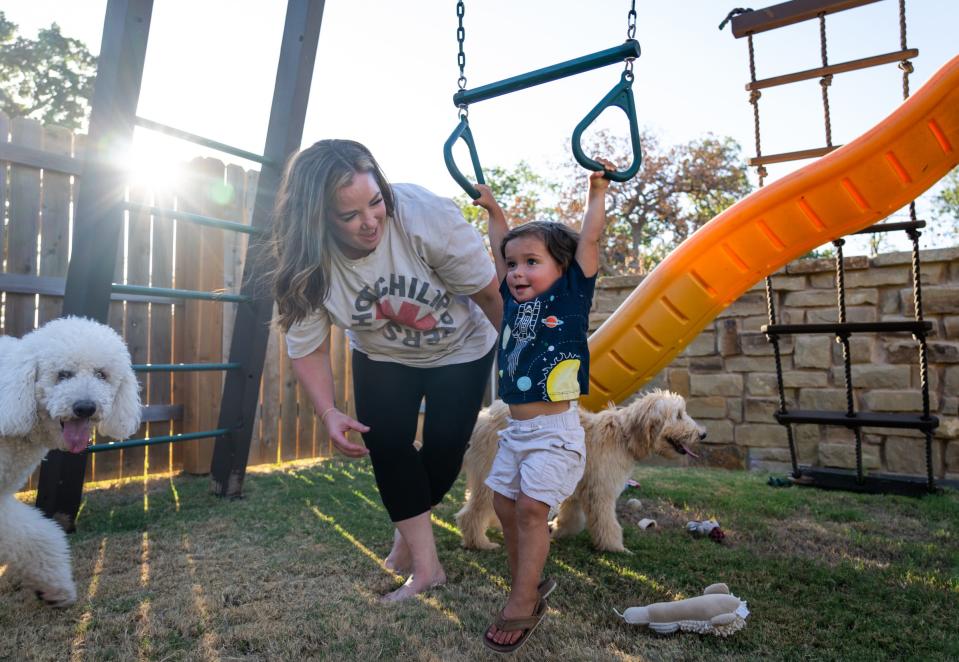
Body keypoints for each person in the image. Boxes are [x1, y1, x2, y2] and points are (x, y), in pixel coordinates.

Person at [271, 139, 502, 603]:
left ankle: (406, 537)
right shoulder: (307, 265)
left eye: (375, 202)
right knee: (388, 443)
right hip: (383, 356)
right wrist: (328, 412)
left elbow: (492, 298)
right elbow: (309, 348)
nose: (371, 220)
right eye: (350, 215)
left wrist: (522, 374)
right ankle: (427, 568)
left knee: (441, 454)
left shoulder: (425, 217)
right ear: (317, 218)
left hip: (461, 347)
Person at [471, 159, 612, 653]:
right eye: (513, 265)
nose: (517, 272)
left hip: (555, 432)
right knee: (506, 508)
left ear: (562, 268)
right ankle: (525, 584)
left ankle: (521, 600)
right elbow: (498, 245)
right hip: (516, 432)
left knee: (532, 509)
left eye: (532, 262)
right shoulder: (512, 304)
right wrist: (495, 209)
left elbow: (589, 242)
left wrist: (596, 192)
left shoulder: (571, 296)